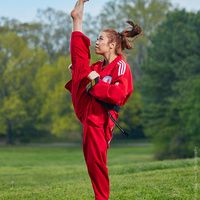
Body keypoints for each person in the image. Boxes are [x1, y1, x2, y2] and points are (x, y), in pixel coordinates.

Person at [65, 0, 142, 199]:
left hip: (100, 120)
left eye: (100, 39)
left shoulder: (120, 66)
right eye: (97, 38)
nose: (96, 42)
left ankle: (102, 198)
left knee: (95, 163)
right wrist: (80, 73)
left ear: (112, 44)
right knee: (80, 64)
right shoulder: (98, 66)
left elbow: (119, 95)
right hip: (87, 109)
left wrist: (96, 81)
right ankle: (77, 19)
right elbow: (87, 77)